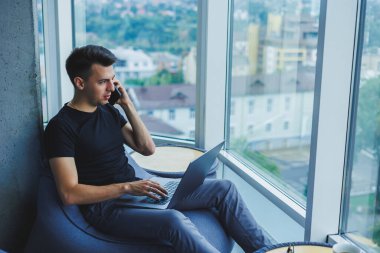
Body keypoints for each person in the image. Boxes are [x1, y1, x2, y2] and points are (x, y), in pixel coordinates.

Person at [44, 45, 273, 253]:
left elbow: (147, 148)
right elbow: (69, 193)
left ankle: (267, 250)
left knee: (225, 189)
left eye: (113, 80)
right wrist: (127, 187)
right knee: (173, 221)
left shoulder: (107, 110)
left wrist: (127, 104)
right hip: (106, 208)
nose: (111, 87)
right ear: (80, 83)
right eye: (102, 81)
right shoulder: (61, 127)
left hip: (139, 192)